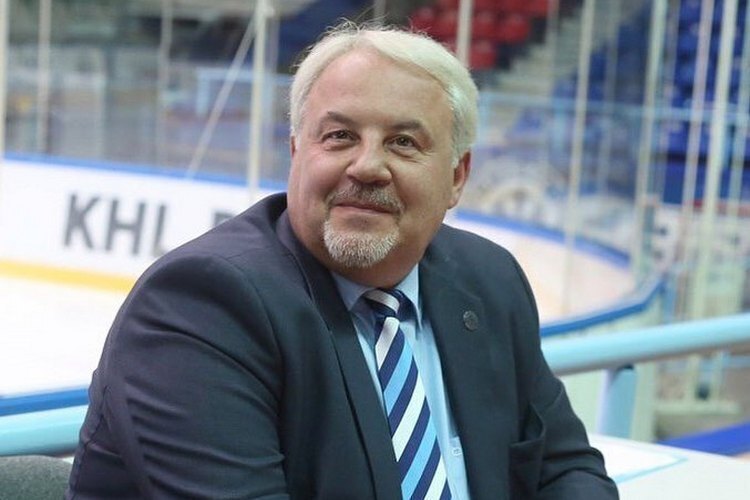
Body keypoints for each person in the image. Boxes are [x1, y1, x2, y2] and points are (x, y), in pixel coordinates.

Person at [66, 22, 618, 499]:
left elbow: (566, 469)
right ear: (296, 153)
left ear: (456, 177)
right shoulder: (201, 307)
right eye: (339, 136)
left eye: (403, 143)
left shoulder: (489, 279)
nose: (367, 166)